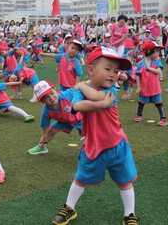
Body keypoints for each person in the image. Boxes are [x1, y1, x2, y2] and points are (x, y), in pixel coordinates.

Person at [51, 47, 139, 225]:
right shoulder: (81, 92)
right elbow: (77, 107)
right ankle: (69, 207)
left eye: (116, 71)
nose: (113, 75)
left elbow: (98, 99)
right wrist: (95, 100)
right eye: (108, 69)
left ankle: (129, 214)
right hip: (93, 146)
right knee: (80, 179)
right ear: (90, 69)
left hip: (117, 145)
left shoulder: (110, 90)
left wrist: (82, 85)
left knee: (124, 182)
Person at [27, 80, 83, 155]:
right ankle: (42, 147)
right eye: (46, 97)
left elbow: (80, 89)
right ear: (42, 101)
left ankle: (93, 150)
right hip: (63, 121)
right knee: (51, 132)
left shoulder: (66, 95)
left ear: (55, 90)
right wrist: (45, 137)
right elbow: (45, 125)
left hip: (80, 119)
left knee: (91, 135)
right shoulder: (46, 111)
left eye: (52, 93)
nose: (51, 98)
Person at [135, 41, 168, 126]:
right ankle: (139, 115)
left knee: (159, 103)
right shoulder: (140, 63)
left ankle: (163, 119)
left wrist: (149, 68)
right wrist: (139, 87)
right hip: (144, 87)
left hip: (155, 88)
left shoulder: (157, 62)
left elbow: (158, 71)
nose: (158, 53)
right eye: (156, 51)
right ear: (149, 51)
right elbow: (138, 75)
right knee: (141, 102)